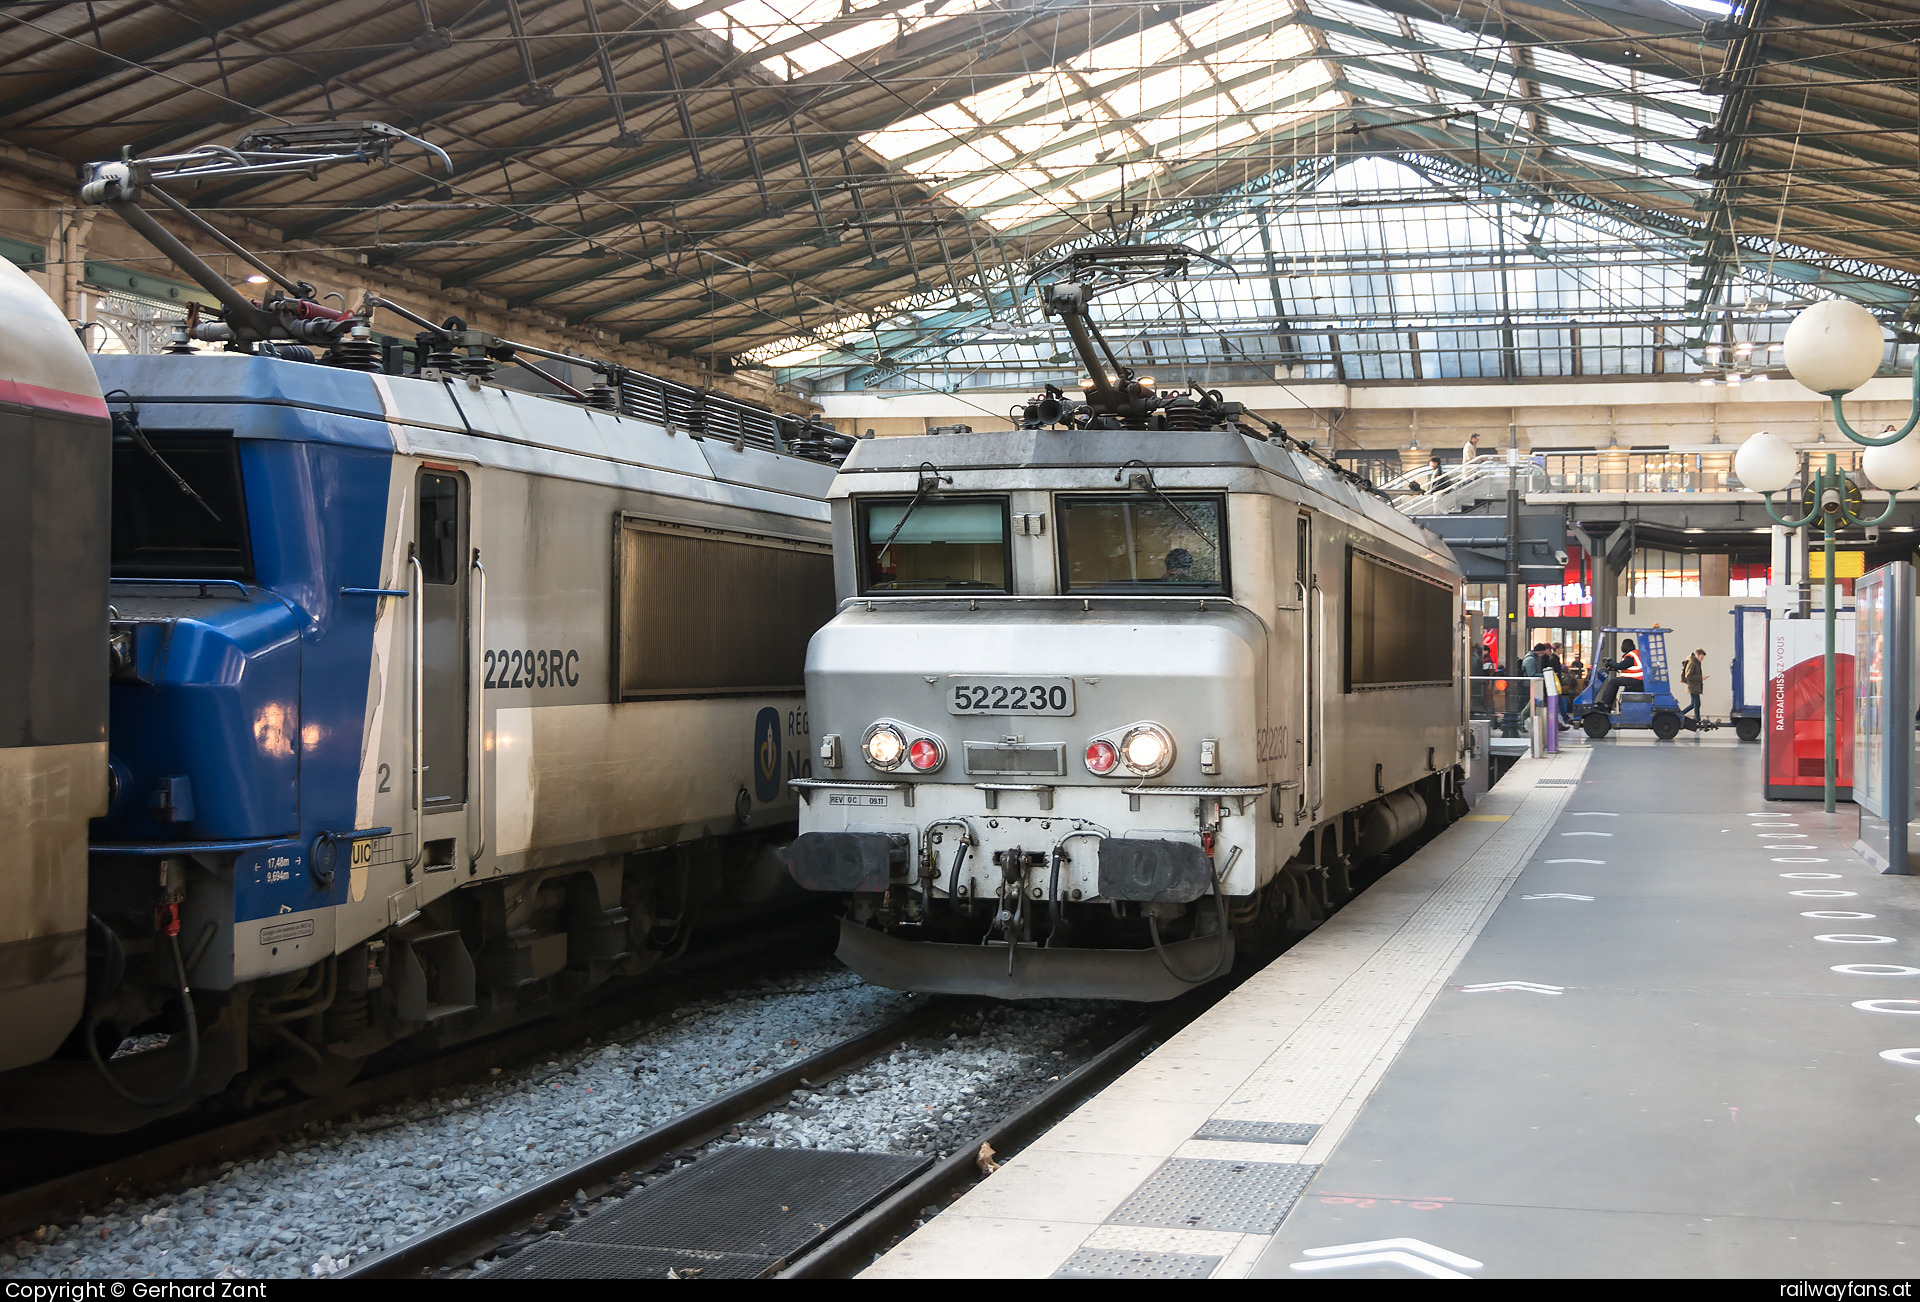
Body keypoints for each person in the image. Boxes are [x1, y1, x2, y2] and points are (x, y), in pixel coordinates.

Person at [1596, 637, 1645, 711]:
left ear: (1627, 645)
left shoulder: (1631, 655)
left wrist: (1610, 661)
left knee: (1614, 681)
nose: (1621, 647)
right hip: (1637, 680)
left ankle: (1605, 704)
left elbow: (1621, 666)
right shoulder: (1634, 653)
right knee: (1616, 681)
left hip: (1637, 680)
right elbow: (1625, 666)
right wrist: (1612, 667)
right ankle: (1608, 704)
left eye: (1622, 645)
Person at [1680, 647, 1705, 721]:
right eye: (1701, 657)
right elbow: (1688, 676)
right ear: (1697, 655)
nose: (1702, 659)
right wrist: (1700, 678)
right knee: (1696, 704)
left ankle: (1681, 714)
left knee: (1694, 704)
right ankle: (1697, 719)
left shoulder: (1696, 662)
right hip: (1693, 687)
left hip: (1694, 687)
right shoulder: (1692, 662)